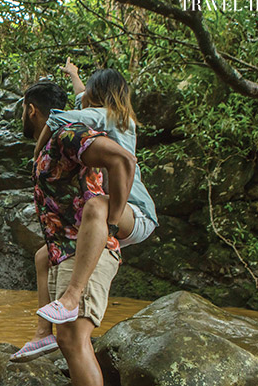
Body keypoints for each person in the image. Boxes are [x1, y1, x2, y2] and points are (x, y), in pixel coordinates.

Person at [18, 80, 136, 386]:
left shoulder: (69, 133)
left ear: (31, 109)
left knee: (73, 338)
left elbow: (120, 160)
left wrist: (113, 220)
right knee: (71, 340)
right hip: (66, 253)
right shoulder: (56, 138)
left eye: (23, 108)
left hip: (86, 253)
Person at [10, 60, 158, 362]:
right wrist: (75, 76)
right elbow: (79, 99)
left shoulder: (106, 117)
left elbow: (58, 119)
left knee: (97, 206)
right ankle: (43, 334)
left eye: (87, 89)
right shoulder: (110, 115)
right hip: (117, 213)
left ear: (100, 96)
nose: (82, 94)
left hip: (134, 212)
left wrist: (39, 154)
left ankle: (73, 296)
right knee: (43, 256)